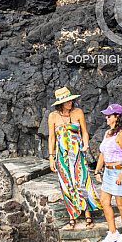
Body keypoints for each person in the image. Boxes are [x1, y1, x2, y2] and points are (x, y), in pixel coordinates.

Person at [48, 87, 101, 230]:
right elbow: (52, 138)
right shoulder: (53, 116)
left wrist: (86, 145)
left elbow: (84, 132)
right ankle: (72, 217)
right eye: (67, 101)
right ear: (60, 103)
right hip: (62, 156)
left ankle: (87, 214)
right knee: (66, 184)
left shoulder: (78, 113)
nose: (70, 102)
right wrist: (51, 158)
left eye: (71, 100)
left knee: (82, 181)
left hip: (78, 154)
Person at [95, 104, 122, 242]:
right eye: (106, 115)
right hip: (109, 172)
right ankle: (113, 232)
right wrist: (97, 171)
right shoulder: (107, 133)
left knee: (121, 205)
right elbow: (102, 153)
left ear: (117, 117)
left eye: (109, 116)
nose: (106, 118)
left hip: (120, 171)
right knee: (104, 201)